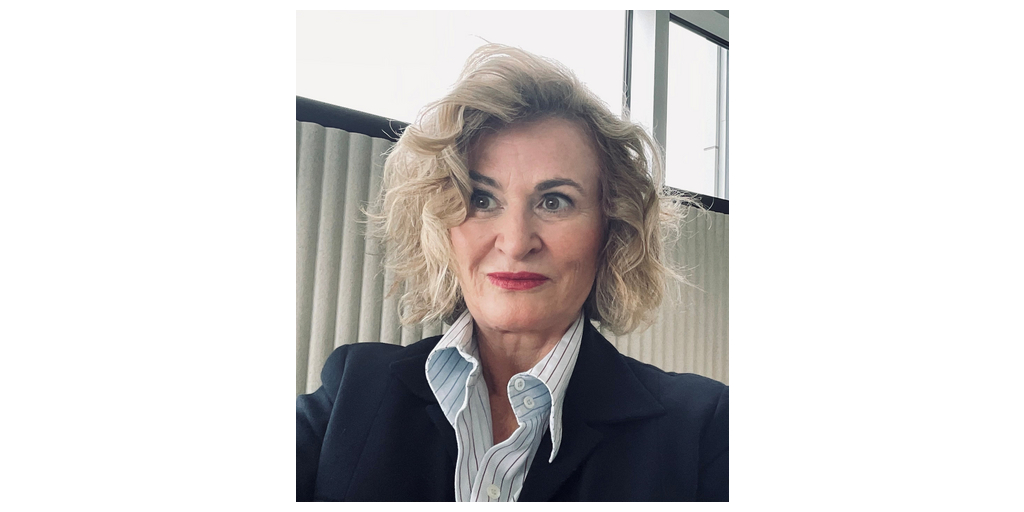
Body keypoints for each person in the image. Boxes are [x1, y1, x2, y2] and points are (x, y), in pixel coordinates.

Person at [296, 43, 728, 502]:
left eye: (554, 202)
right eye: (481, 200)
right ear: (443, 226)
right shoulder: (352, 389)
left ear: (611, 229)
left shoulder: (704, 428)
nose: (517, 242)